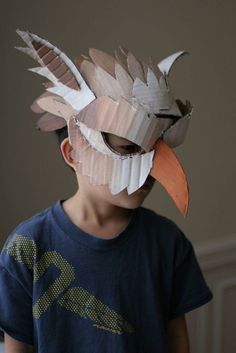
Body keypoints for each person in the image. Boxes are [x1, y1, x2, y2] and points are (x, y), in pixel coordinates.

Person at [0, 30, 213, 353]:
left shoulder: (167, 243)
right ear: (73, 153)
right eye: (129, 147)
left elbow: (176, 338)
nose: (153, 168)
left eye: (160, 149)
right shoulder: (27, 249)